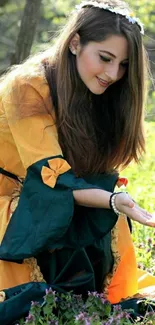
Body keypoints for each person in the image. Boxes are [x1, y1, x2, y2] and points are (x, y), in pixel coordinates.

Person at [0, 0, 154, 323]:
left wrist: (113, 199)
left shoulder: (91, 90)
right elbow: (52, 179)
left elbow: (87, 176)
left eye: (124, 65)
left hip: (50, 196)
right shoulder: (27, 87)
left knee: (103, 203)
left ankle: (100, 293)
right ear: (75, 43)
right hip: (13, 199)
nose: (114, 74)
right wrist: (112, 200)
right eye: (105, 58)